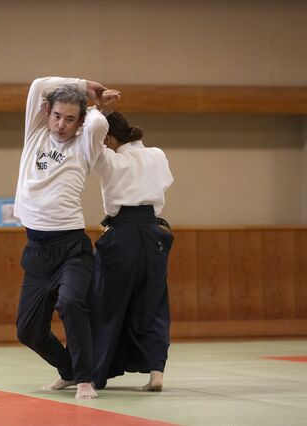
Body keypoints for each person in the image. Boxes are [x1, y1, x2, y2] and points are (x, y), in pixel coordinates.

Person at [14, 76, 119, 400]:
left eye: (70, 119)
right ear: (47, 113)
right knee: (28, 331)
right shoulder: (35, 133)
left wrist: (96, 103)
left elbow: (98, 122)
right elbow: (37, 85)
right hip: (37, 250)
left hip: (71, 248)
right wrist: (85, 83)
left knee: (71, 303)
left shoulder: (84, 144)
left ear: (80, 122)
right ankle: (70, 371)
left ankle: (86, 379)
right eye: (57, 115)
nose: (61, 124)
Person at [90, 111, 174, 391]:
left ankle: (96, 374)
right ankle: (156, 374)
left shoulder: (108, 157)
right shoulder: (157, 154)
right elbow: (164, 183)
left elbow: (91, 135)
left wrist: (95, 108)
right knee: (153, 302)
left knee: (106, 304)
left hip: (121, 234)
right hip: (154, 234)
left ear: (110, 138)